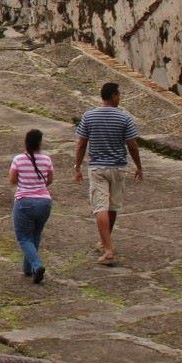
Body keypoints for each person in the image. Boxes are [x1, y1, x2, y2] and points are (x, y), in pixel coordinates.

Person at [73, 82, 143, 266]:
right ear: (112, 96)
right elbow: (132, 145)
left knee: (100, 208)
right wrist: (138, 166)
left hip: (97, 167)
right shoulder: (125, 118)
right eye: (118, 94)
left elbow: (81, 143)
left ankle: (107, 248)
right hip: (118, 167)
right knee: (112, 207)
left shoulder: (89, 116)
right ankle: (105, 243)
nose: (119, 98)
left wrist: (77, 166)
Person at [9, 129, 54, 284]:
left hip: (24, 202)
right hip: (45, 202)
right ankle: (28, 270)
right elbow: (49, 180)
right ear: (40, 143)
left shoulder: (18, 159)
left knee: (23, 238)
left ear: (26, 141)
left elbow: (13, 180)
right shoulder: (46, 160)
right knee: (35, 235)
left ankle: (37, 265)